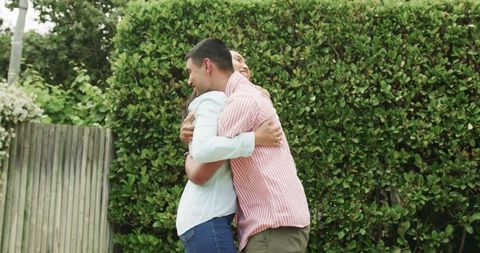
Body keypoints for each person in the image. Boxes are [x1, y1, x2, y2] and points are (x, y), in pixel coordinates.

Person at [182, 38, 310, 253]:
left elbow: (201, 164)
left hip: (272, 226)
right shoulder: (248, 97)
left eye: (190, 71)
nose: (188, 80)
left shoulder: (242, 101)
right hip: (277, 224)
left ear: (207, 65)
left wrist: (190, 149)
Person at [176, 50, 281, 253]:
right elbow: (199, 173)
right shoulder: (218, 105)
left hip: (207, 218)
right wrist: (255, 138)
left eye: (246, 60)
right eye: (238, 59)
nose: (245, 65)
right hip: (206, 217)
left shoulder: (242, 103)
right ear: (217, 68)